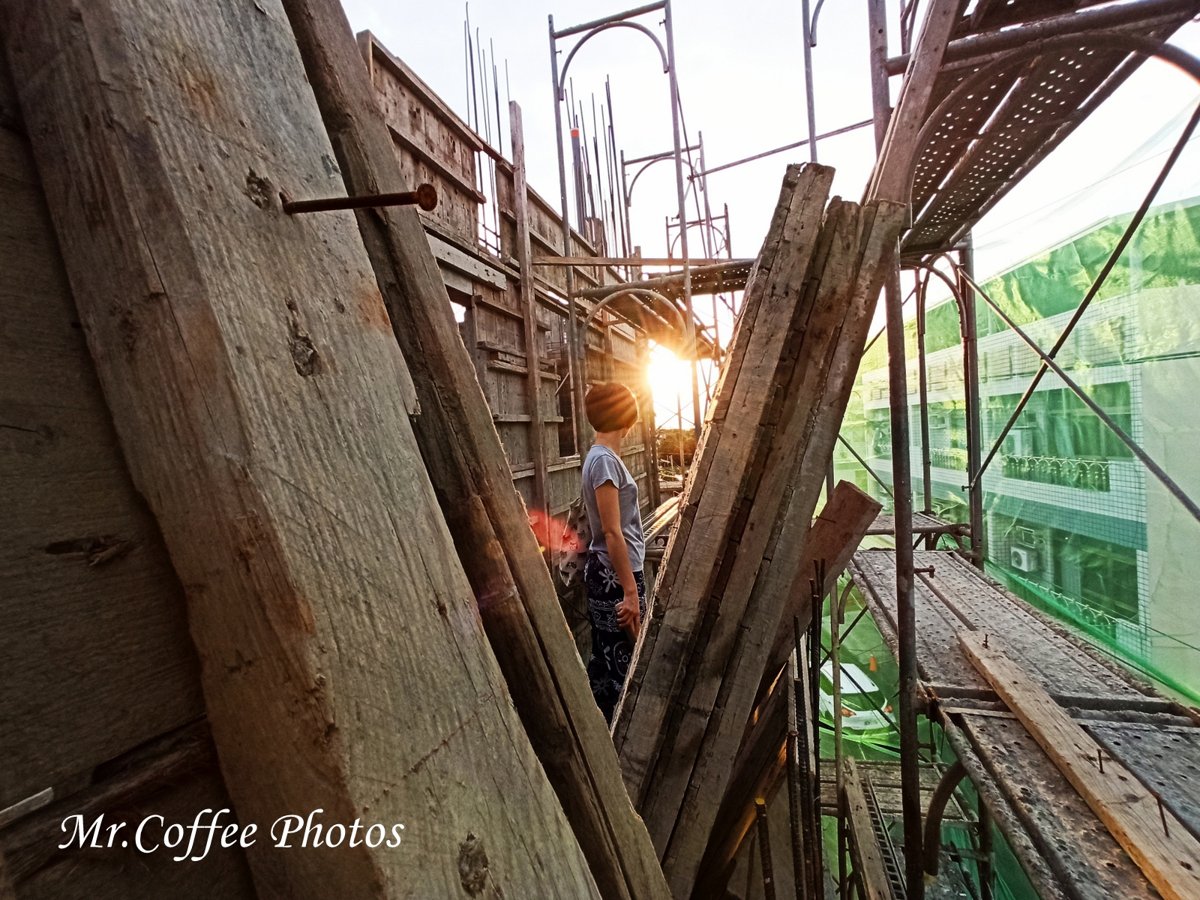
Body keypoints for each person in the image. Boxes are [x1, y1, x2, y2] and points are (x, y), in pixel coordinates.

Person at [580, 382, 647, 724]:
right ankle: (624, 739)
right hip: (616, 576)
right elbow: (611, 532)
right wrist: (631, 592)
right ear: (626, 417)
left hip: (609, 572)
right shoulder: (605, 461)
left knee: (606, 664)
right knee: (626, 668)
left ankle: (602, 736)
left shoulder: (600, 458)